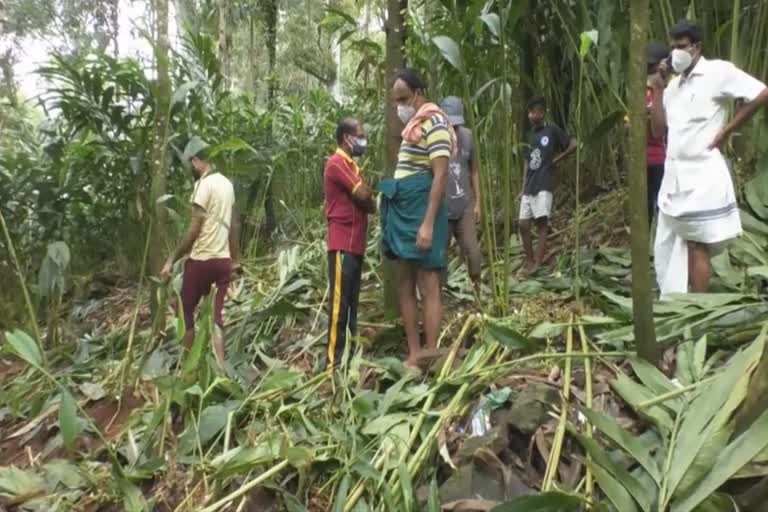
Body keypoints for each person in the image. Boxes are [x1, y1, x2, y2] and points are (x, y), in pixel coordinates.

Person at [649, 20, 768, 295]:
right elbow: (657, 130)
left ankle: (696, 308)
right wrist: (656, 88)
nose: (675, 53)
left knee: (695, 243)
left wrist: (729, 129)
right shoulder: (673, 87)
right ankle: (677, 301)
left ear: (696, 47)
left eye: (681, 47)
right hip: (674, 175)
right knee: (668, 243)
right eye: (672, 47)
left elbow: (761, 93)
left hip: (702, 173)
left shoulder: (717, 72)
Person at [380, 68, 454, 370]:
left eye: (404, 99)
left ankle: (431, 352)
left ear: (418, 93)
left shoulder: (434, 122)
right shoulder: (412, 127)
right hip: (402, 209)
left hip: (421, 209)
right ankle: (414, 353)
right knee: (404, 281)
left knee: (428, 282)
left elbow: (440, 175)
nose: (400, 105)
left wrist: (427, 222)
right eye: (396, 100)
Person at [161, 139, 239, 366]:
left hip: (202, 261)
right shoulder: (227, 184)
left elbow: (194, 230)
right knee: (216, 318)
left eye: (190, 164)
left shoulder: (202, 186)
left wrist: (171, 258)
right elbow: (234, 225)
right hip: (223, 262)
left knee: (185, 312)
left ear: (195, 161)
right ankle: (221, 370)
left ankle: (189, 366)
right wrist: (235, 261)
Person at [323, 118, 375, 368]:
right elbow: (364, 195)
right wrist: (366, 195)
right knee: (339, 304)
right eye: (360, 135)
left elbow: (368, 201)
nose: (363, 140)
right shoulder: (337, 163)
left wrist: (366, 196)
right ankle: (332, 362)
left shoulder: (353, 166)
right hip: (342, 242)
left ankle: (349, 356)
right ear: (347, 138)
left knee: (352, 302)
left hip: (356, 243)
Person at [518, 96, 577, 273]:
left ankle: (537, 261)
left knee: (542, 222)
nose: (530, 115)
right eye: (529, 112)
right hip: (530, 184)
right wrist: (522, 189)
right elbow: (526, 163)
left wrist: (556, 160)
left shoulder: (551, 131)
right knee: (522, 224)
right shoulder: (529, 136)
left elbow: (573, 144)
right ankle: (530, 259)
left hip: (544, 182)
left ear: (541, 113)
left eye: (533, 112)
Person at [439, 96, 482, 290]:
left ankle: (478, 288)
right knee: (439, 255)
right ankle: (438, 293)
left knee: (472, 251)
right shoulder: (434, 138)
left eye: (456, 124)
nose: (453, 129)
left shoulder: (468, 137)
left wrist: (478, 202)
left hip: (464, 204)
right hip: (442, 208)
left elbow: (474, 171)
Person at [645, 42, 669, 227]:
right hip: (643, 160)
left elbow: (660, 129)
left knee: (663, 208)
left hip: (663, 159)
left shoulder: (672, 91)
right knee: (645, 209)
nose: (650, 71)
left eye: (653, 66)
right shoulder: (644, 92)